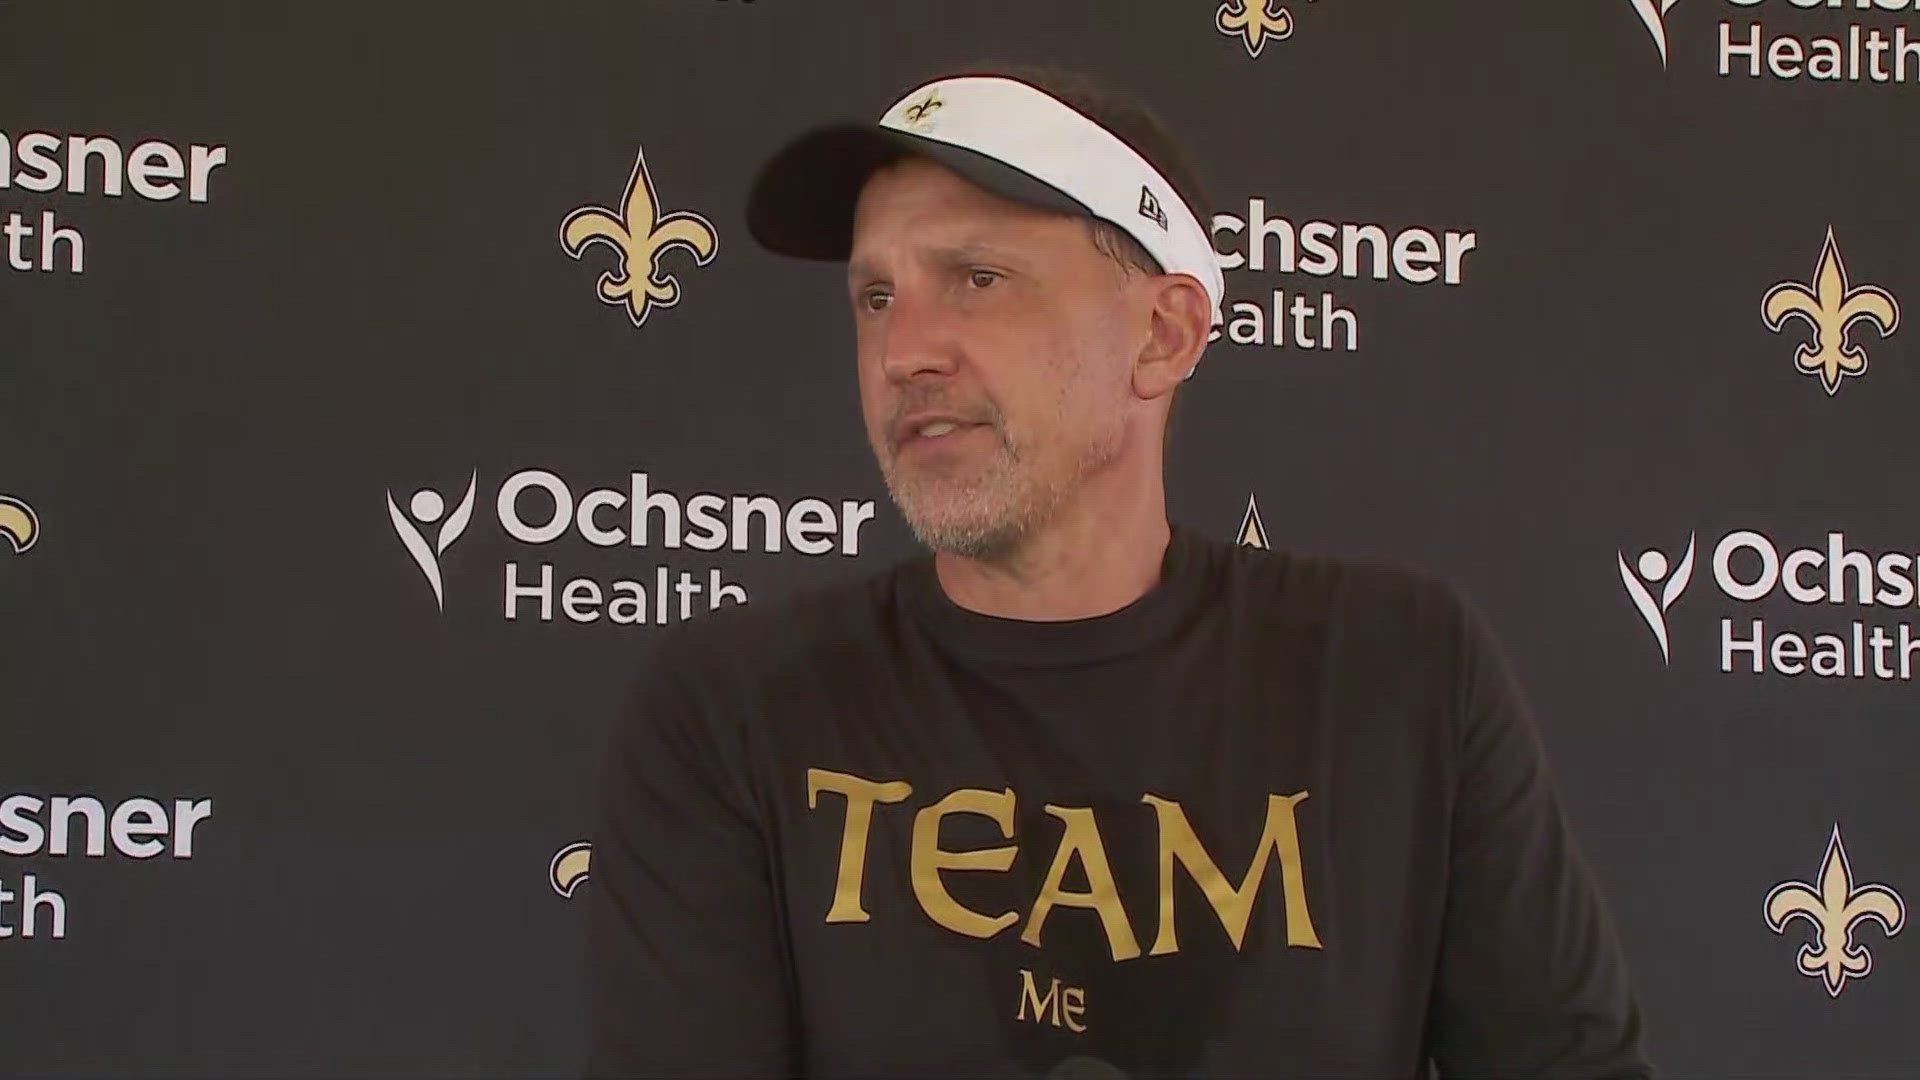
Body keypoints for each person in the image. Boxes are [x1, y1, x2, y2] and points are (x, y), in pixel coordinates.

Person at [584, 64, 1653, 1080]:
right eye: (875, 296)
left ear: (1163, 333)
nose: (904, 351)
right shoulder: (736, 707)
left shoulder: (1401, 673)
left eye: (977, 278)